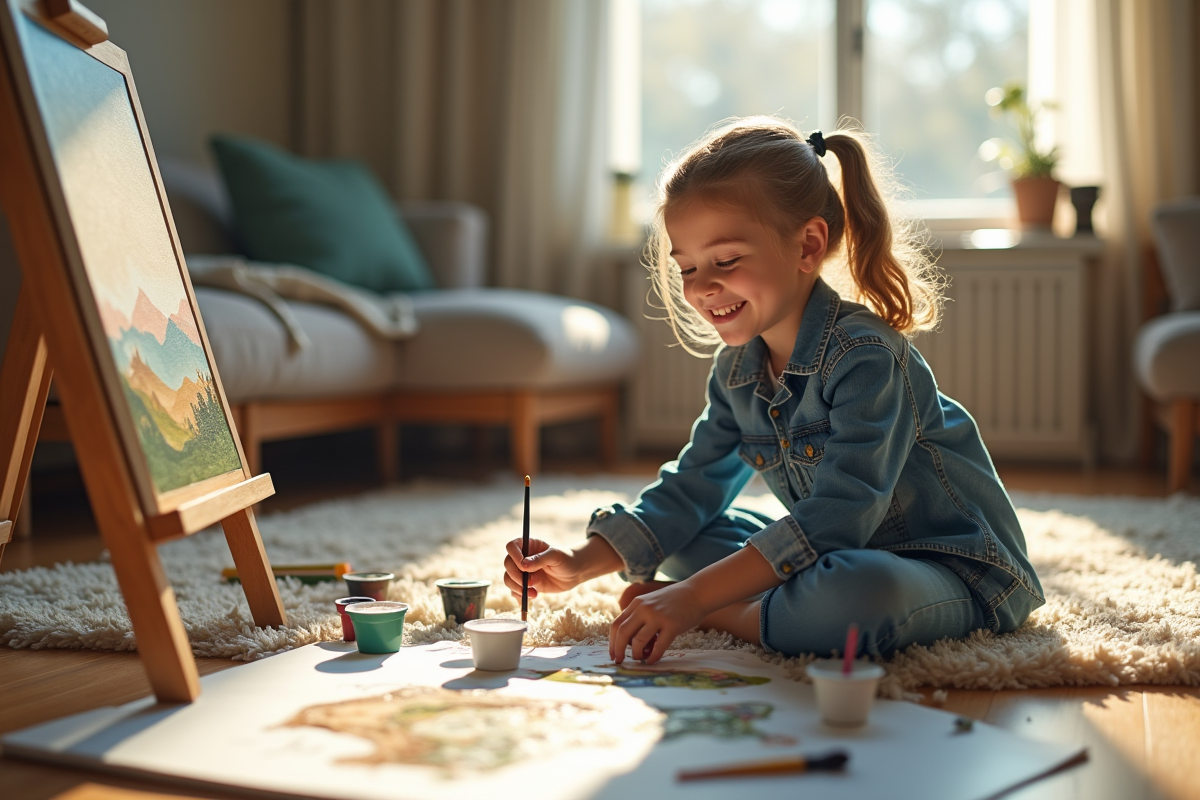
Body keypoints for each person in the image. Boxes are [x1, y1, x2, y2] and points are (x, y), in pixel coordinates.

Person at [502, 117, 1043, 665]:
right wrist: (579, 561)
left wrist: (694, 600)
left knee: (858, 592)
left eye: (726, 260)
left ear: (808, 245)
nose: (700, 287)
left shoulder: (867, 359)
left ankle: (729, 614)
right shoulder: (737, 369)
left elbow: (837, 518)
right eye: (686, 266)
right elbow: (692, 486)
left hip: (951, 569)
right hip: (828, 555)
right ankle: (766, 606)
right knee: (686, 532)